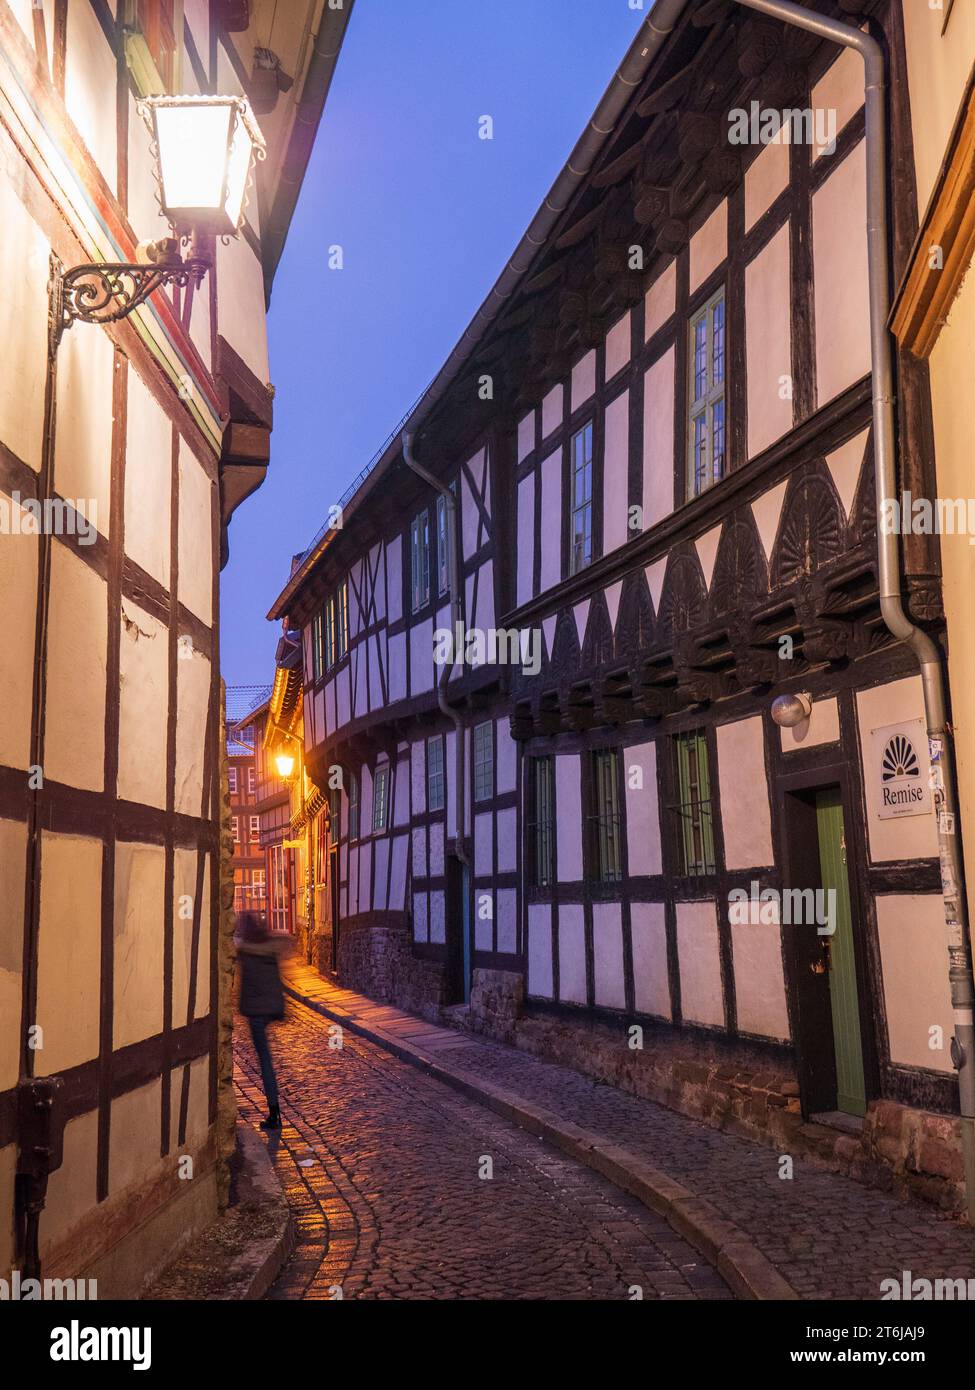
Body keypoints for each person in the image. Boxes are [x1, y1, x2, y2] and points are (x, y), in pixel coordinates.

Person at [235, 911, 286, 1130]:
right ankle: (274, 1111)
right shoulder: (270, 947)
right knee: (266, 1059)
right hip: (273, 1009)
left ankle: (274, 1113)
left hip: (256, 1013)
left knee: (265, 1061)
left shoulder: (245, 951)